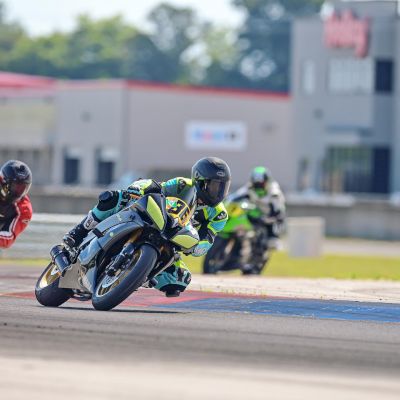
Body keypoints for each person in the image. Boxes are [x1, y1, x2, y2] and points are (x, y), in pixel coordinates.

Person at [63, 157, 231, 296]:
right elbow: (155, 186)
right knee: (113, 198)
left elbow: (208, 239)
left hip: (174, 242)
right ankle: (78, 233)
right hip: (154, 219)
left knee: (179, 281)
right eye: (215, 186)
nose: (219, 192)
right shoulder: (182, 185)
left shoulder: (219, 214)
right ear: (200, 181)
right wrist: (137, 189)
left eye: (223, 187)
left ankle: (139, 275)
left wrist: (195, 247)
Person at [230, 166, 285, 273]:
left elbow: (279, 211)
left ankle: (259, 257)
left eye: (261, 184)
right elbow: (236, 196)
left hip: (270, 217)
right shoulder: (249, 188)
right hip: (254, 213)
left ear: (267, 182)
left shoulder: (274, 192)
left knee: (272, 242)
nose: (259, 187)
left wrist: (274, 219)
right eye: (256, 184)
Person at [0, 160, 33, 249]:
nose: (18, 192)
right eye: (15, 187)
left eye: (22, 188)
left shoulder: (25, 210)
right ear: (4, 182)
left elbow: (8, 238)